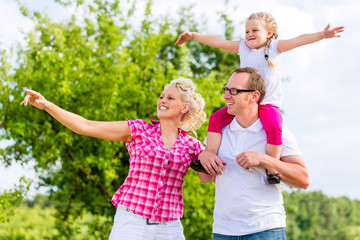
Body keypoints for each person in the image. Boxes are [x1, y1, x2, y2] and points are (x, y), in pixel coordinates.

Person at [20, 77, 206, 240]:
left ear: (184, 107)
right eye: (161, 96)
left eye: (170, 98)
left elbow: (209, 176)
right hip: (132, 223)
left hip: (169, 227)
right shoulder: (139, 130)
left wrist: (211, 150)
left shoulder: (192, 145)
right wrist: (47, 105)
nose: (162, 101)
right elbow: (86, 126)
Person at [175, 11, 343, 182]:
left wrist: (322, 35)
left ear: (269, 33)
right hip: (244, 103)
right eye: (247, 31)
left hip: (267, 105)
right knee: (216, 118)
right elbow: (218, 42)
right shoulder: (243, 48)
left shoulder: (274, 48)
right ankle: (209, 156)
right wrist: (193, 35)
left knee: (273, 125)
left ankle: (272, 169)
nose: (249, 34)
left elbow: (298, 40)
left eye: (255, 30)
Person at [197, 67, 309, 239]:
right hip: (223, 231)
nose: (226, 96)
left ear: (254, 96)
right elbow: (206, 178)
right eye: (226, 90)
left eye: (234, 91)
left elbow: (303, 180)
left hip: (266, 229)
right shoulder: (219, 131)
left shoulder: (278, 131)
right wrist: (202, 157)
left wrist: (264, 159)